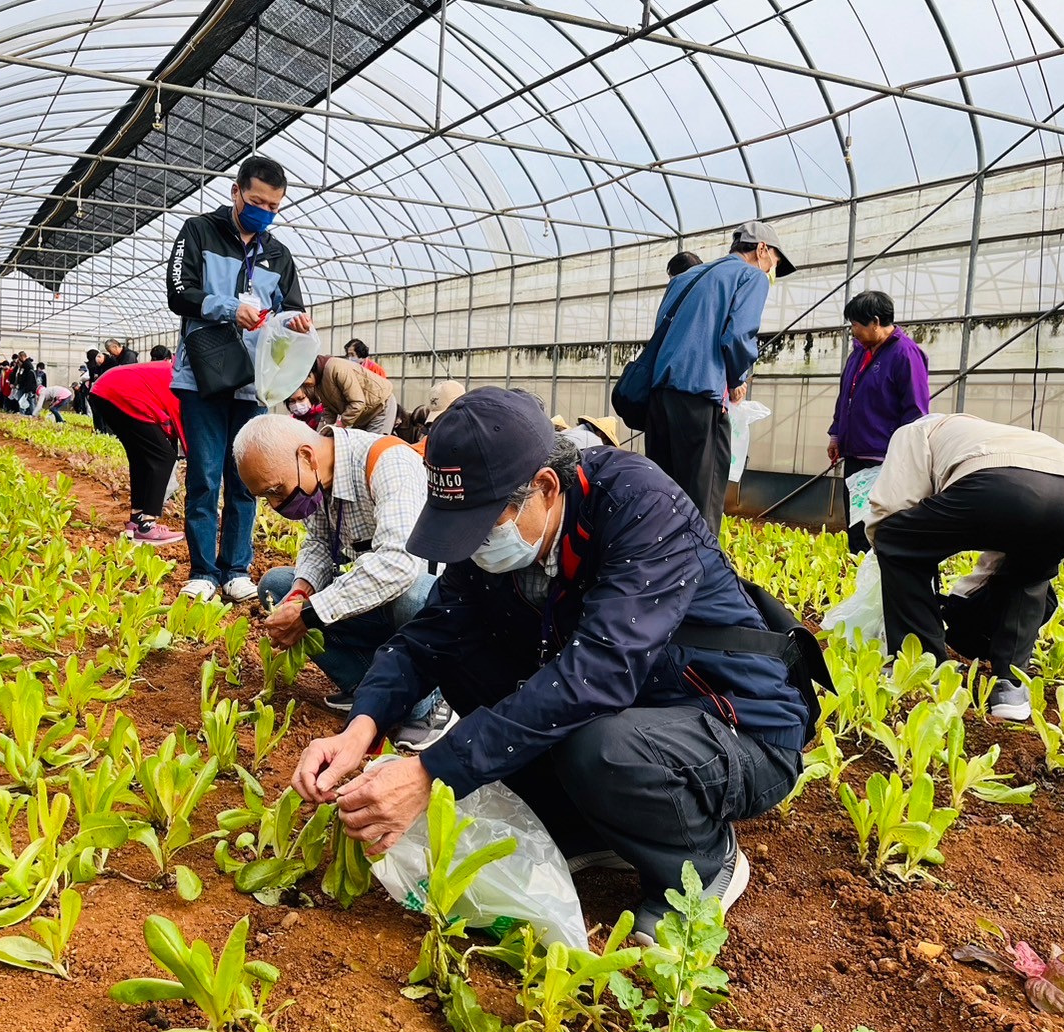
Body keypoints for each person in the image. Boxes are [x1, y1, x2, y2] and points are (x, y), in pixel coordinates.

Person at [292, 388, 808, 938]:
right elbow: (429, 639)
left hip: (736, 727)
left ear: (544, 487)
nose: (475, 546)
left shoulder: (642, 505)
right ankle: (588, 828)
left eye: (485, 523)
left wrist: (428, 770)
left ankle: (699, 864)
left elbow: (597, 674)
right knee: (473, 658)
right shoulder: (511, 534)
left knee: (600, 745)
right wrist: (360, 727)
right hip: (635, 709)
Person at [867, 414, 1064, 722]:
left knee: (895, 538)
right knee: (1028, 574)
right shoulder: (991, 435)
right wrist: (962, 598)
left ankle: (926, 668)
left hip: (1004, 487)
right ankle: (1010, 688)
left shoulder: (913, 430)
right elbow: (1002, 551)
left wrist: (884, 552)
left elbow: (890, 509)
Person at [234, 416, 454, 751]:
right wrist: (300, 594)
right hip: (379, 602)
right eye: (265, 497)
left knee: (413, 596)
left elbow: (399, 564)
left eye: (276, 491)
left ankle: (429, 705)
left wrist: (309, 614)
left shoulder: (388, 463)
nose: (276, 505)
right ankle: (368, 688)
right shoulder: (320, 478)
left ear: (307, 456)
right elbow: (320, 544)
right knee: (278, 585)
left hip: (428, 607)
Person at [167, 155, 311, 603]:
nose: (263, 212)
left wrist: (295, 322)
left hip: (254, 383)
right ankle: (203, 572)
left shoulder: (278, 255)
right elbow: (178, 294)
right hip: (203, 377)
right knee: (206, 476)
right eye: (255, 201)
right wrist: (231, 307)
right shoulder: (198, 232)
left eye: (273, 206)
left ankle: (236, 569)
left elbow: (290, 307)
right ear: (235, 192)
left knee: (247, 476)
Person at [642, 220, 794, 535]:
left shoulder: (684, 279)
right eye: (774, 264)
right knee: (702, 502)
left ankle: (658, 569)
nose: (772, 272)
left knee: (662, 495)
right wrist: (736, 378)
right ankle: (700, 578)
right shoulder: (751, 276)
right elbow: (738, 336)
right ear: (761, 249)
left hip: (658, 397)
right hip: (699, 397)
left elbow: (663, 333)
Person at [828, 292, 931, 554]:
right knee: (856, 522)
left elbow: (916, 412)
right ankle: (858, 576)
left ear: (875, 322)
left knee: (881, 525)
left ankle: (880, 581)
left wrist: (907, 458)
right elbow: (846, 397)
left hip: (884, 460)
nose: (853, 331)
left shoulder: (905, 354)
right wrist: (836, 435)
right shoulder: (859, 353)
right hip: (855, 454)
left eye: (856, 325)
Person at [88, 360, 187, 546]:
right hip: (119, 392)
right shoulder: (185, 383)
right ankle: (147, 526)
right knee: (164, 457)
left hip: (104, 389)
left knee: (141, 458)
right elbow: (182, 429)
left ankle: (136, 521)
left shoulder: (180, 371)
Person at [303, 355, 396, 434]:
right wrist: (321, 433)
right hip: (361, 415)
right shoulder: (318, 382)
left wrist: (341, 423)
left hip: (379, 407)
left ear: (310, 372)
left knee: (373, 448)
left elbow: (358, 402)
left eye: (304, 381)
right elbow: (329, 409)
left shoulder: (336, 368)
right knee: (359, 449)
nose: (306, 386)